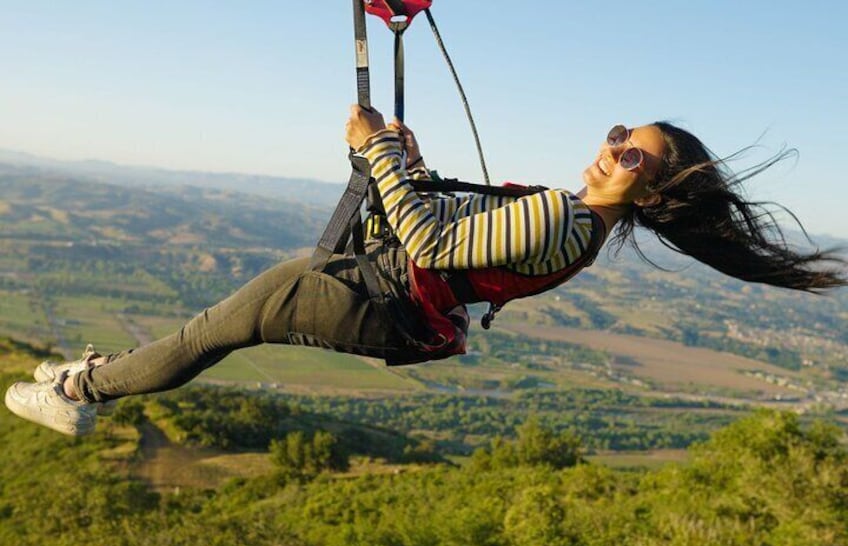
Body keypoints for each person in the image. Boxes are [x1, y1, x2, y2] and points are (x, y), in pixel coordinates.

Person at [5, 105, 847, 436]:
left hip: (374, 296)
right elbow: (451, 228)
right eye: (618, 134)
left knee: (206, 333)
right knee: (216, 329)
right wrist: (410, 160)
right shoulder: (573, 219)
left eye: (634, 158)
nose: (611, 152)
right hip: (382, 296)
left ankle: (79, 397)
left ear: (652, 192)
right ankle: (90, 379)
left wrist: (376, 150)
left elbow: (434, 247)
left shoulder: (567, 216)